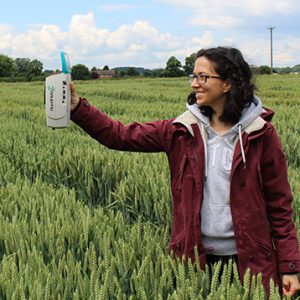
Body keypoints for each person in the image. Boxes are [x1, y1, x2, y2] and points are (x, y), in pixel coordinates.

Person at [70, 47, 300, 297]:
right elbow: (120, 135)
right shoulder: (180, 131)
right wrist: (77, 108)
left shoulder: (261, 134)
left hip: (250, 262)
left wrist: (289, 267)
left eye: (203, 77)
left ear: (227, 83)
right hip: (194, 262)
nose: (194, 84)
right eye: (193, 76)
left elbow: (280, 206)